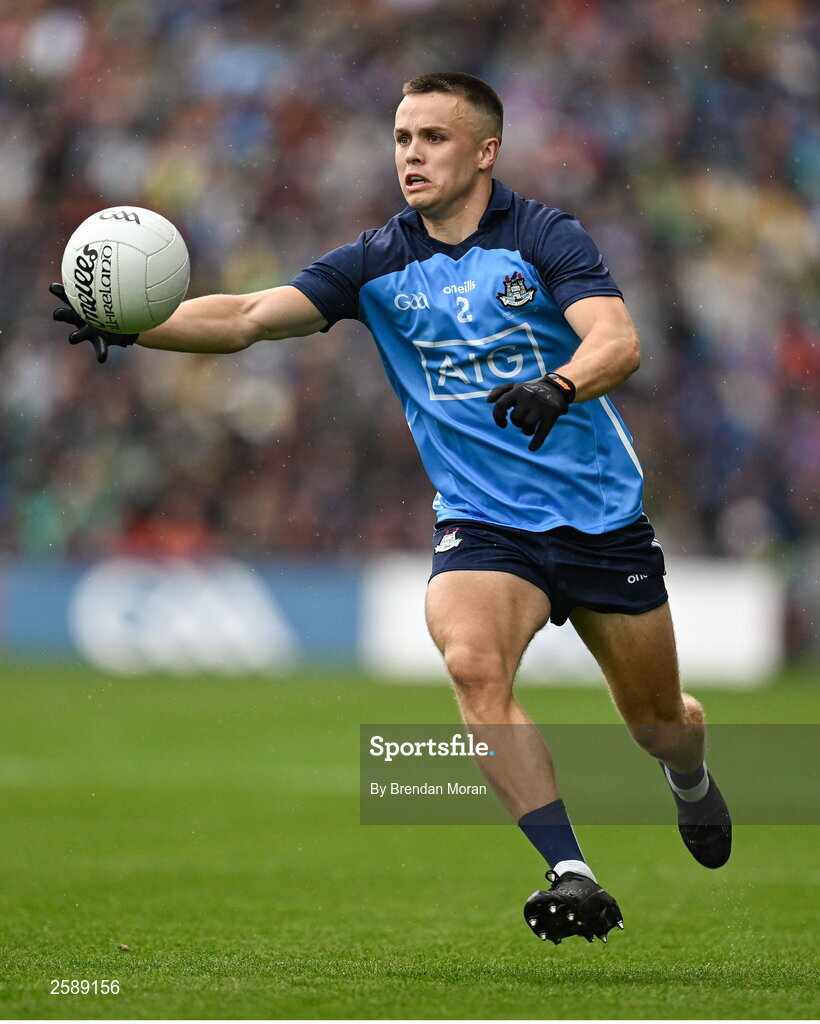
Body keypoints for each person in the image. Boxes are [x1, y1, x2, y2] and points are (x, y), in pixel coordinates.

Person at [50, 71, 731, 946]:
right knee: (473, 666)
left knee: (658, 725)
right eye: (403, 138)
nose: (411, 154)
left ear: (486, 151)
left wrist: (559, 386)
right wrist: (131, 325)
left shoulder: (545, 237)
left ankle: (689, 778)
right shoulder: (376, 261)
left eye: (434, 138)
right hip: (486, 526)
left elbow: (618, 339)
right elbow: (251, 314)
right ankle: (570, 871)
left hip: (599, 520)